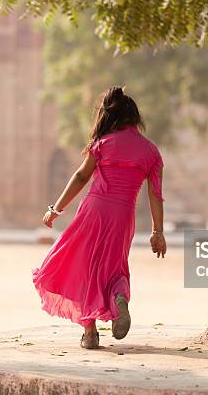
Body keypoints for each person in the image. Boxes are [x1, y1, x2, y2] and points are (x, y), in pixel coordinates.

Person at [33, 86, 167, 349]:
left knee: (85, 266)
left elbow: (81, 177)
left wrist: (56, 209)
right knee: (114, 265)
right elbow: (156, 195)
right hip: (123, 215)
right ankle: (119, 297)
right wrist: (157, 232)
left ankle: (90, 332)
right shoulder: (151, 152)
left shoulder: (101, 145)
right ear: (134, 118)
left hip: (93, 211)